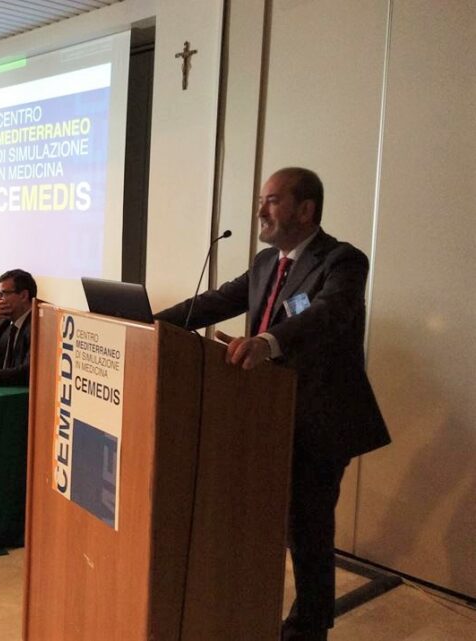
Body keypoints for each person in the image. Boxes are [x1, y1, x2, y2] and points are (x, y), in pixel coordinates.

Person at [155, 168, 390, 641]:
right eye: (262, 200)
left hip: (320, 418)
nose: (260, 210)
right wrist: (146, 322)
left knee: (308, 529)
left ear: (306, 210)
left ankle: (309, 627)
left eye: (272, 200)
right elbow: (215, 302)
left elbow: (328, 314)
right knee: (264, 520)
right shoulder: (266, 262)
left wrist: (267, 342)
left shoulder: (343, 261)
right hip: (264, 414)